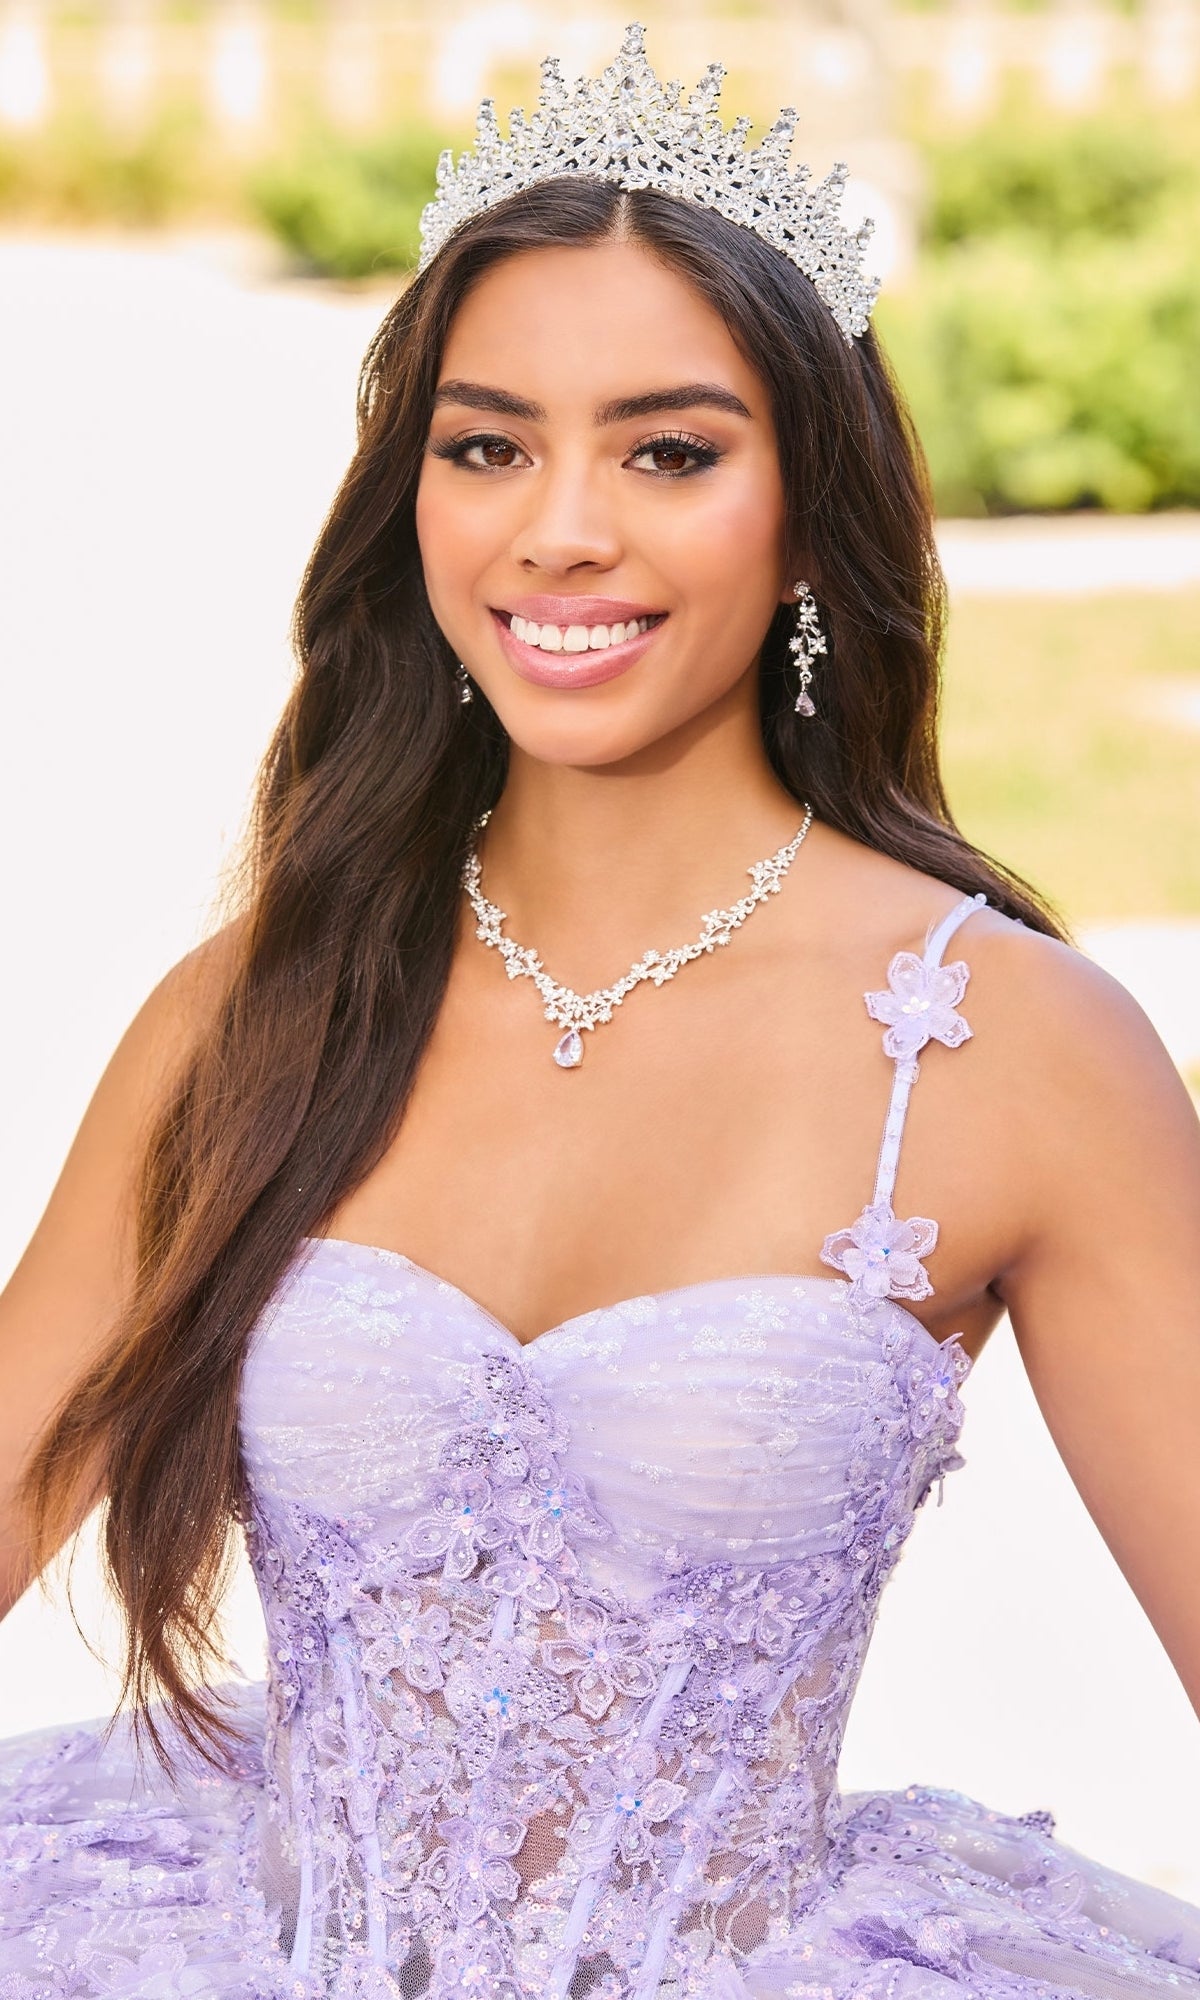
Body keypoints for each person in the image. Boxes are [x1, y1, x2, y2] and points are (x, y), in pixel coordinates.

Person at [1, 21, 1198, 1999]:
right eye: (487, 446)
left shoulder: (1010, 1051)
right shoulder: (258, 1013)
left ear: (806, 510)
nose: (560, 527)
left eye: (670, 450)